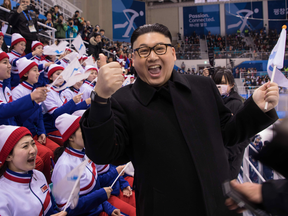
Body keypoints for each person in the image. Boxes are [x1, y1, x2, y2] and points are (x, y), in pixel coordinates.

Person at [80, 23, 279, 215]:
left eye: (159, 48)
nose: (152, 56)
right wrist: (100, 99)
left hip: (219, 203)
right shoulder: (122, 100)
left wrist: (255, 106)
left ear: (173, 54)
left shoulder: (203, 86)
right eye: (143, 51)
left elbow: (228, 133)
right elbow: (103, 153)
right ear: (133, 58)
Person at [52, 113, 131, 216]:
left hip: (99, 207)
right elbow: (67, 209)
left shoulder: (85, 153)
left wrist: (109, 208)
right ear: (71, 137)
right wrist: (100, 195)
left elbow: (95, 186)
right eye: (82, 130)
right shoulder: (65, 165)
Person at [0, 125, 66, 216]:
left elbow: (53, 209)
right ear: (8, 156)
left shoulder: (39, 175)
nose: (33, 150)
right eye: (25, 146)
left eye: (33, 144)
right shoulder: (3, 195)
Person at [212, 69, 250, 179]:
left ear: (232, 85)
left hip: (230, 162)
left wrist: (227, 152)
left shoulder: (237, 104)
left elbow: (246, 135)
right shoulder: (213, 102)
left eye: (223, 83)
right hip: (214, 159)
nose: (219, 86)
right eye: (216, 83)